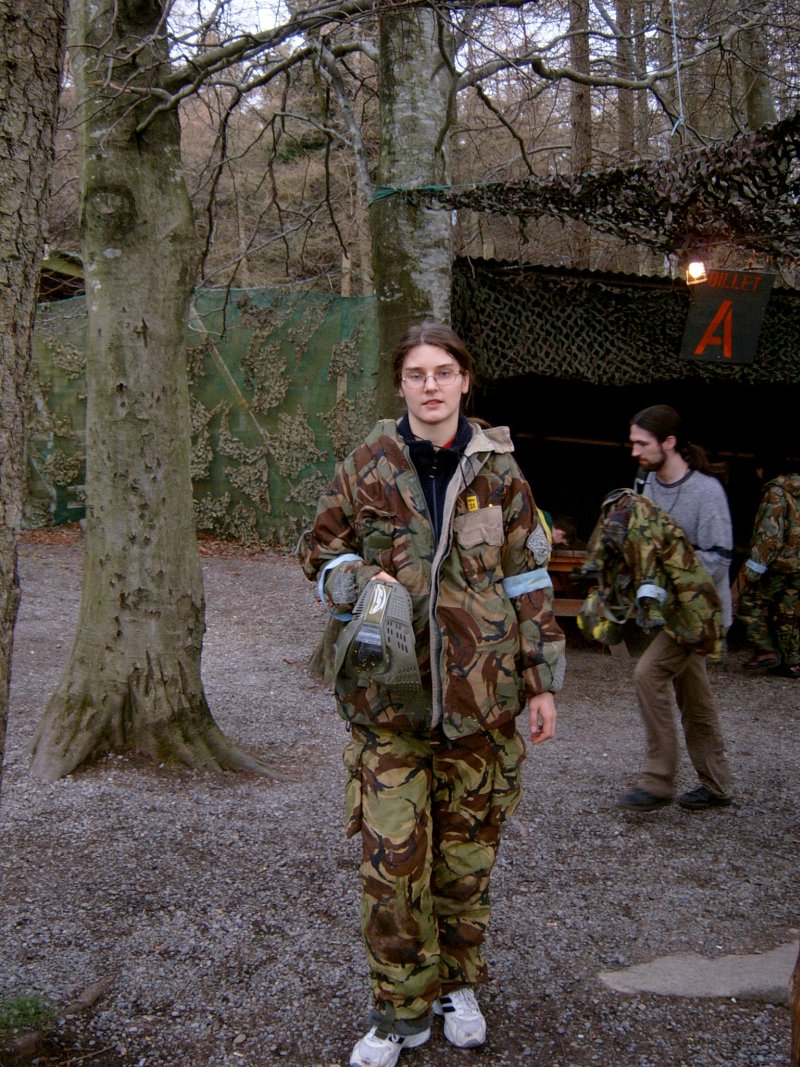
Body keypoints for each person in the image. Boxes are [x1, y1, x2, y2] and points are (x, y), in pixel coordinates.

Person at [298, 320, 565, 1067]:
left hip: (483, 706)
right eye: (417, 373)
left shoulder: (499, 471)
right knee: (391, 868)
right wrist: (355, 579)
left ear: (465, 380)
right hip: (388, 706)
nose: (431, 386)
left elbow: (529, 578)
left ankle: (457, 987)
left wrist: (541, 683)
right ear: (401, 384)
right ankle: (398, 1009)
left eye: (444, 372)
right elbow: (318, 550)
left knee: (464, 863)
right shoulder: (367, 465)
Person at [619, 404, 734, 812]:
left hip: (700, 616)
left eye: (642, 443)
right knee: (695, 697)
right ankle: (717, 785)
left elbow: (719, 557)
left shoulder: (706, 491)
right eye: (633, 442)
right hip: (671, 614)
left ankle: (658, 780)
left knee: (647, 674)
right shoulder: (647, 483)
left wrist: (666, 576)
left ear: (669, 442)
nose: (635, 451)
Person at [736, 464, 800, 679]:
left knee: (749, 602)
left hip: (779, 565)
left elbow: (769, 534)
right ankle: (792, 662)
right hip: (798, 565)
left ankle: (765, 650)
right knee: (787, 611)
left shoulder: (777, 491)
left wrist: (755, 566)